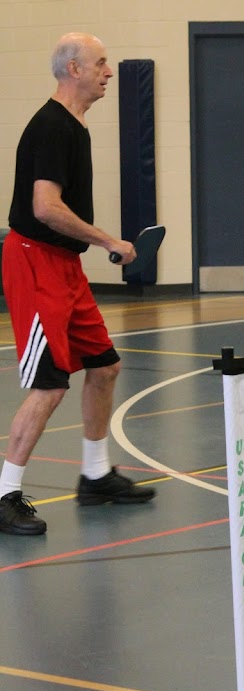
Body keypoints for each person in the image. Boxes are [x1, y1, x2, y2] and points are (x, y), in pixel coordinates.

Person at [0, 32, 156, 537]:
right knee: (49, 385)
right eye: (101, 64)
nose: (109, 72)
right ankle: (4, 493)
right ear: (74, 69)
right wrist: (109, 239)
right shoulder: (51, 128)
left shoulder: (76, 126)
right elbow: (45, 208)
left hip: (66, 267)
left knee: (106, 367)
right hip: (34, 262)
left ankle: (94, 476)